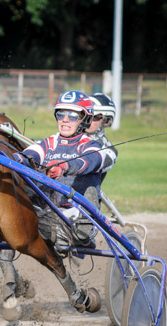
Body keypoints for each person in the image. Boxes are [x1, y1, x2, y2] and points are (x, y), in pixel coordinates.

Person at [14, 90, 104, 247]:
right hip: (48, 212)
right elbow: (29, 156)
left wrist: (64, 167)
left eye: (73, 116)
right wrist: (13, 158)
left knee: (90, 190)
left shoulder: (91, 145)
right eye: (61, 114)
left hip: (76, 211)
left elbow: (90, 161)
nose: (65, 120)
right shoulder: (48, 143)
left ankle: (84, 230)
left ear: (85, 120)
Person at [87, 93, 117, 181]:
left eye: (95, 117)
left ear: (106, 120)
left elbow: (92, 164)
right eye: (86, 115)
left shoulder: (110, 151)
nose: (88, 120)